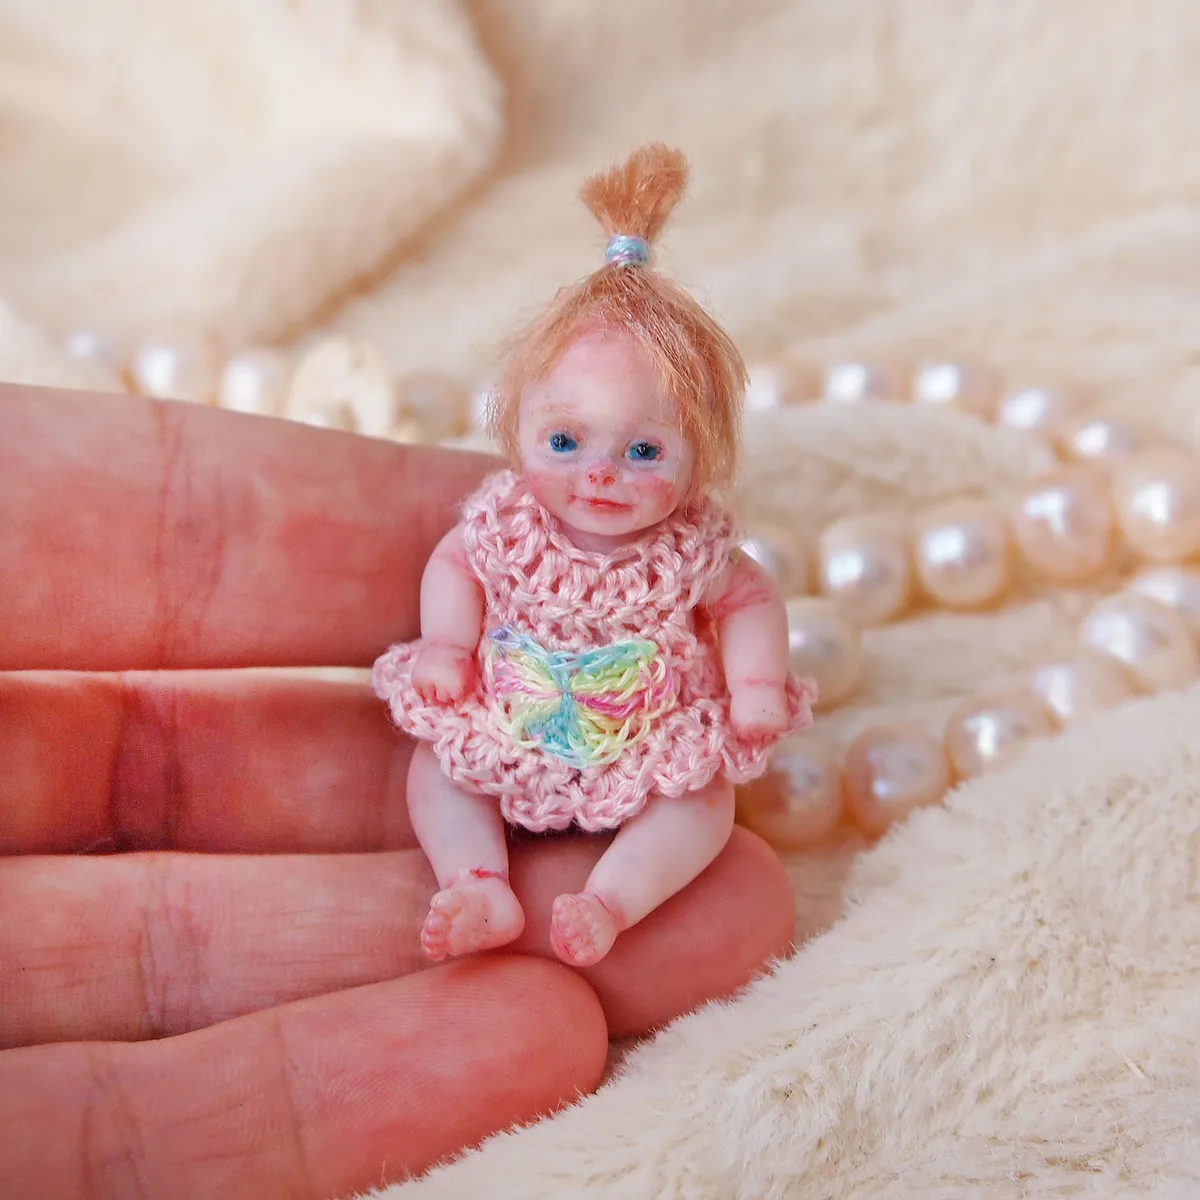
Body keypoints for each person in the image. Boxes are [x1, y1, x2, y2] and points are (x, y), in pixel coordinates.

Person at [0, 382, 796, 1197]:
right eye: (565, 442)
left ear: (704, 456)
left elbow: (748, 602)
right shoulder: (502, 523)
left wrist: (758, 683)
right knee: (438, 767)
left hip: (648, 723)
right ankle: (476, 881)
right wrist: (449, 644)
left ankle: (612, 901)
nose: (600, 475)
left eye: (643, 452)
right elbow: (454, 567)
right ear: (517, 430)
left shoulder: (695, 549)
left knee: (701, 801)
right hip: (509, 712)